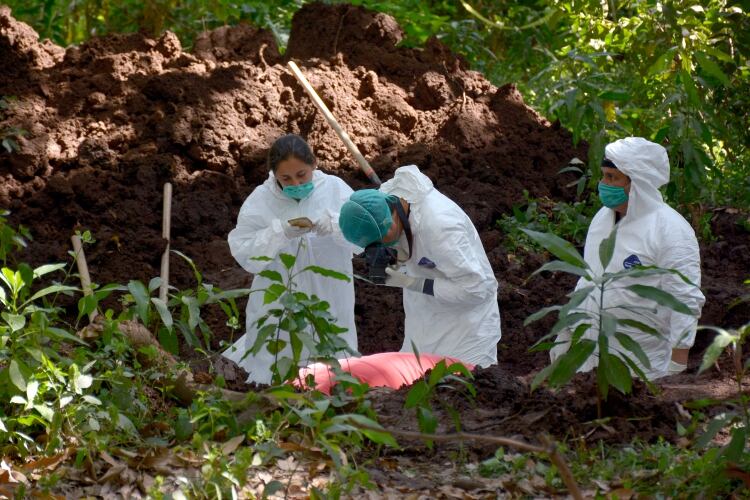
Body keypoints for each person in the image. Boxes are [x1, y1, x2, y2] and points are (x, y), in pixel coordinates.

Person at [550, 137, 706, 379]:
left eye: (612, 177)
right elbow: (589, 277)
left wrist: (677, 365)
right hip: (591, 360)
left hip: (642, 365)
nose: (603, 184)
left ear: (637, 184)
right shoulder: (602, 219)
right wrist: (568, 330)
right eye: (603, 176)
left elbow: (684, 299)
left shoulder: (671, 229)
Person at [223, 134, 359, 384]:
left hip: (329, 292)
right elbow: (244, 250)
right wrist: (279, 233)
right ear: (274, 174)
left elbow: (363, 237)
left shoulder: (335, 190)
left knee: (330, 347)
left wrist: (335, 225)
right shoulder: (261, 200)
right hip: (279, 295)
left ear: (314, 165)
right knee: (278, 351)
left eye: (302, 175)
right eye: (286, 178)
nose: (295, 183)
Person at [338, 164, 501, 367]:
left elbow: (477, 289)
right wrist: (394, 260)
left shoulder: (440, 228)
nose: (381, 246)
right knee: (418, 386)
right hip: (424, 320)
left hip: (467, 330)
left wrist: (413, 283)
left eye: (381, 240)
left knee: (460, 391)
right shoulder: (385, 202)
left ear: (391, 218)